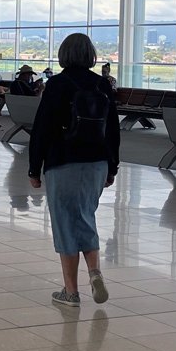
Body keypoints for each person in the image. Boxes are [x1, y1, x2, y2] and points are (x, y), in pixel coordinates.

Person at [28, 33, 119, 307]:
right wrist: (111, 167)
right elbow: (112, 130)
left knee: (65, 223)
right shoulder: (102, 84)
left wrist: (34, 168)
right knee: (85, 215)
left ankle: (71, 292)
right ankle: (94, 271)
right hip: (97, 163)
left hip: (63, 160)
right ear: (90, 54)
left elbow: (42, 128)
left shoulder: (57, 84)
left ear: (64, 54)